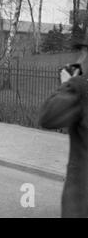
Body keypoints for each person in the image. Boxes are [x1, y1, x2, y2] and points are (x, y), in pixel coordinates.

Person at [39, 37, 88, 218]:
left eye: (84, 51)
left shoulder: (81, 87)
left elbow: (48, 117)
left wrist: (67, 83)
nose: (81, 58)